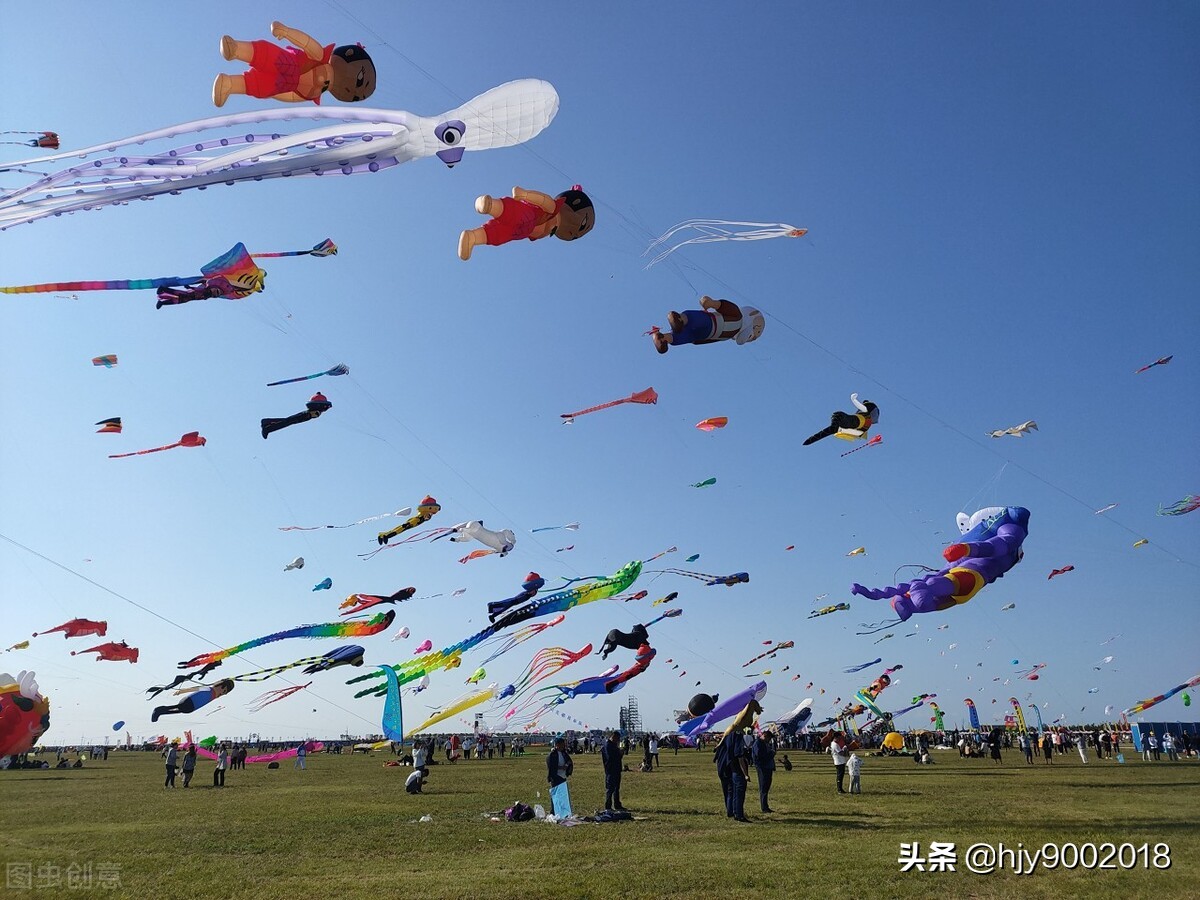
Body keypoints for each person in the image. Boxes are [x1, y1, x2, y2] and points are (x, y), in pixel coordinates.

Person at [213, 21, 376, 107]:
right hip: (290, 64)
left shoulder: (314, 94)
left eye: (355, 97)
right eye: (360, 78)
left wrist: (275, 94)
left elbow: (293, 97)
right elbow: (307, 44)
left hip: (284, 85)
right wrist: (287, 32)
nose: (354, 91)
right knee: (268, 56)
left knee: (260, 87)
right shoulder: (319, 57)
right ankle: (236, 49)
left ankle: (229, 84)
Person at [459, 186, 595, 260]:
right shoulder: (553, 208)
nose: (575, 234)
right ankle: (488, 205)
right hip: (531, 215)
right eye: (582, 225)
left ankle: (472, 237)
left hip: (520, 232)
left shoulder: (548, 232)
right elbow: (544, 200)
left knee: (498, 235)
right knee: (513, 213)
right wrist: (525, 194)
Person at [651, 296, 764, 354]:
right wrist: (712, 303)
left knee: (681, 337)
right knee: (693, 319)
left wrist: (698, 341)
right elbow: (725, 306)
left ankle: (664, 339)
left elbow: (715, 340)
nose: (749, 336)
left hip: (703, 335)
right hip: (711, 322)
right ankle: (679, 319)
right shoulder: (737, 316)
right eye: (754, 332)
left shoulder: (729, 336)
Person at [715, 728, 750, 822]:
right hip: (730, 768)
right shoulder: (736, 738)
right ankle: (737, 813)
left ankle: (730, 811)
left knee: (728, 791)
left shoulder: (725, 740)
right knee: (735, 791)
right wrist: (746, 774)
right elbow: (739, 756)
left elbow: (716, 756)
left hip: (722, 767)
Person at [546, 736, 574, 816]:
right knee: (556, 795)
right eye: (562, 744)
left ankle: (563, 811)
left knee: (563, 795)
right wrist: (561, 767)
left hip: (563, 776)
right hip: (556, 777)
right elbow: (551, 766)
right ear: (557, 745)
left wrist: (568, 765)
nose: (563, 746)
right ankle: (554, 811)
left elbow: (569, 761)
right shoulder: (552, 755)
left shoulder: (564, 753)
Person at [751, 731, 776, 813]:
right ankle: (764, 807)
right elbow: (760, 756)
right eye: (769, 738)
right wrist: (771, 754)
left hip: (767, 767)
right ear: (765, 736)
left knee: (766, 787)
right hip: (763, 768)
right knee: (764, 787)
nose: (769, 740)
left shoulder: (763, 743)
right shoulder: (758, 743)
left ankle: (765, 806)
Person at [601, 731, 625, 812]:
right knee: (610, 788)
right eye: (617, 739)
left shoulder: (614, 745)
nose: (618, 741)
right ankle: (608, 806)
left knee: (616, 788)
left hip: (617, 769)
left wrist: (620, 754)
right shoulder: (608, 745)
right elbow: (610, 758)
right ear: (613, 737)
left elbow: (617, 757)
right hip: (610, 770)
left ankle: (617, 804)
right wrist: (619, 753)